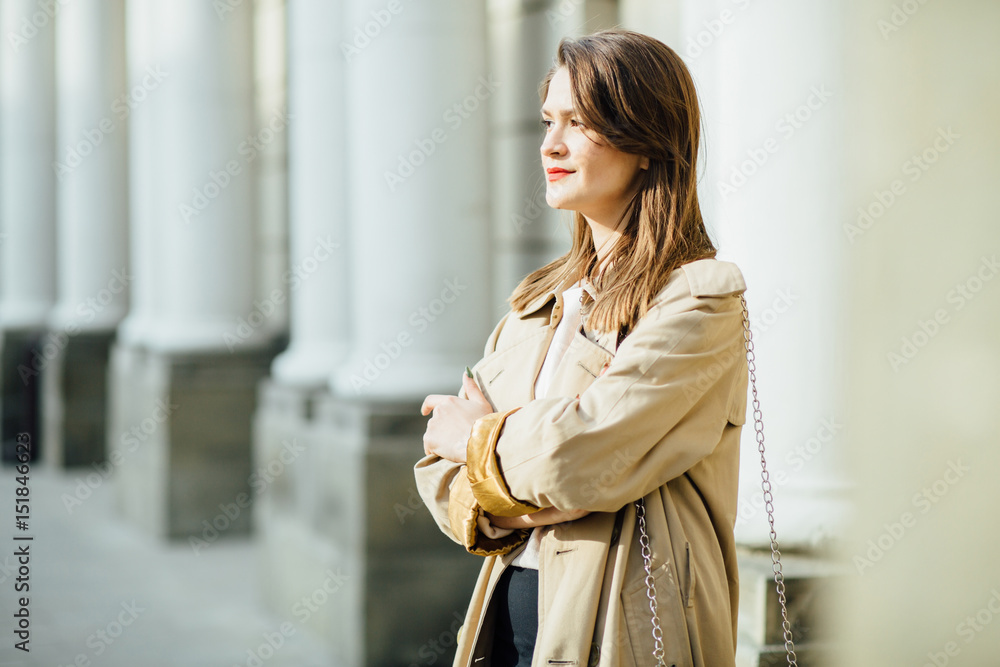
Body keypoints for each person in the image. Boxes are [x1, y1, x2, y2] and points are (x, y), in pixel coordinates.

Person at [415, 28, 749, 667]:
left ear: (646, 142)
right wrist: (524, 494)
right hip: (502, 630)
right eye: (549, 121)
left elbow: (576, 455)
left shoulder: (698, 301)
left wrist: (478, 443)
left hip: (628, 630)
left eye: (581, 122)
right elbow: (438, 471)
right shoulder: (536, 304)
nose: (550, 144)